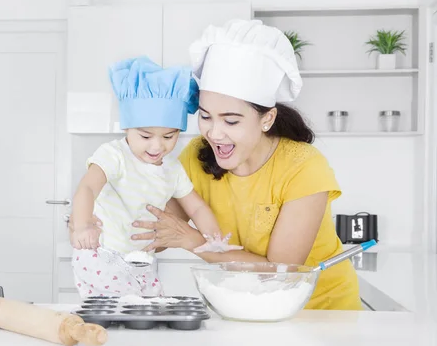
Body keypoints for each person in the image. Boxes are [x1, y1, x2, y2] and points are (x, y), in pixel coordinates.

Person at [72, 19, 362, 310]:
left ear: (267, 119)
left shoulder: (304, 167)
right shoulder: (196, 156)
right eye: (206, 116)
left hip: (320, 311)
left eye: (231, 120)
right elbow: (157, 233)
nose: (213, 132)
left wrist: (192, 240)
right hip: (241, 303)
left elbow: (281, 273)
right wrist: (103, 216)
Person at [70, 56, 233, 299]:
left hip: (142, 261)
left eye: (169, 137)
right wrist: (82, 225)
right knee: (121, 312)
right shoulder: (114, 155)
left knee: (147, 312)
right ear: (127, 127)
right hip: (101, 254)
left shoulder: (172, 169)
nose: (157, 146)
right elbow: (87, 189)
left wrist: (214, 239)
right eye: (145, 136)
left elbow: (197, 207)